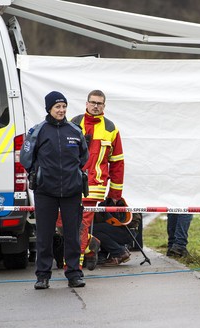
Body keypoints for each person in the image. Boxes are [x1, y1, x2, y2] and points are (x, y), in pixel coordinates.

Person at [21, 91, 89, 289]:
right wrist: (39, 174)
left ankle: (74, 274)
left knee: (72, 235)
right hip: (45, 192)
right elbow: (26, 159)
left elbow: (83, 159)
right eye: (57, 107)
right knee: (44, 235)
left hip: (72, 191)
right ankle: (42, 275)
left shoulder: (75, 131)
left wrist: (72, 176)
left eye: (63, 106)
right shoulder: (38, 131)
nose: (61, 110)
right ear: (49, 109)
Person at [63, 89, 125, 270]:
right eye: (93, 102)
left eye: (99, 103)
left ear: (104, 106)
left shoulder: (111, 129)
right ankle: (92, 245)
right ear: (86, 103)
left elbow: (117, 163)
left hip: (94, 187)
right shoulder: (74, 123)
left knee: (81, 226)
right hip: (70, 184)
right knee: (61, 224)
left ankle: (73, 268)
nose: (96, 106)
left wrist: (115, 194)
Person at [92, 197, 133, 266]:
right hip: (124, 232)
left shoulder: (114, 200)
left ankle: (119, 253)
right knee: (97, 229)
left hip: (126, 232)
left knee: (93, 230)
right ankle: (119, 251)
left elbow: (115, 219)